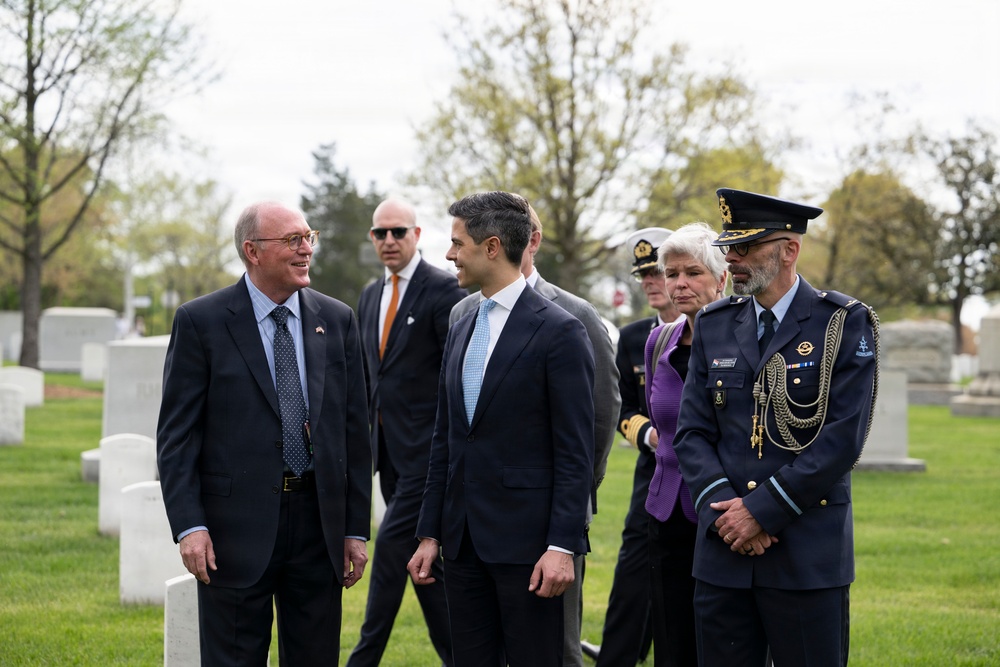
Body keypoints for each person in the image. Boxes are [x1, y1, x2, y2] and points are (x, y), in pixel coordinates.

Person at [156, 201, 372, 666]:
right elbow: (178, 437)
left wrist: (355, 528)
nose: (306, 249)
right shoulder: (201, 321)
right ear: (252, 251)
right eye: (293, 240)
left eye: (308, 237)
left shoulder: (337, 320)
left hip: (319, 527)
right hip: (233, 530)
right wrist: (190, 527)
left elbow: (354, 432)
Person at [674, 188, 879, 666]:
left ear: (790, 250)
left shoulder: (842, 323)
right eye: (730, 247)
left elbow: (842, 440)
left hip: (805, 554)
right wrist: (729, 512)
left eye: (748, 247)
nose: (734, 259)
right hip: (723, 550)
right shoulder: (714, 323)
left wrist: (761, 511)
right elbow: (692, 433)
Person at [408, 191, 595, 666]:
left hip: (530, 550)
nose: (448, 255)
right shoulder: (461, 321)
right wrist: (430, 533)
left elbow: (575, 453)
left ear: (492, 247)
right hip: (463, 545)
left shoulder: (560, 331)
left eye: (457, 243)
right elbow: (446, 439)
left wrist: (562, 547)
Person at [449, 203, 621, 667]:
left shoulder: (573, 316)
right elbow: (454, 429)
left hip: (544, 524)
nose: (451, 254)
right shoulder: (463, 314)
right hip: (472, 530)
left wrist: (570, 513)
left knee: (553, 652)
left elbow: (595, 425)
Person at [349, 198, 465, 666]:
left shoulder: (443, 290)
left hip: (429, 456)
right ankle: (459, 657)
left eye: (398, 232)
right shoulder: (370, 295)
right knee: (425, 566)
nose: (389, 241)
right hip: (388, 454)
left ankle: (362, 658)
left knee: (392, 550)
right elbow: (367, 375)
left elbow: (453, 377)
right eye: (380, 234)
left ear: (417, 234)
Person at [592, 227, 680, 667]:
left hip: (701, 477)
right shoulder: (633, 338)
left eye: (658, 272)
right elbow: (622, 405)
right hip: (653, 475)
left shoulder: (716, 327)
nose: (649, 282)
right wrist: (646, 434)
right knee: (632, 577)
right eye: (643, 274)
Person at [642, 222, 728, 666]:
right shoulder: (658, 342)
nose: (679, 284)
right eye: (671, 273)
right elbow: (659, 420)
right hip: (664, 513)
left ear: (721, 279)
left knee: (719, 642)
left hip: (722, 516)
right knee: (671, 644)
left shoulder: (745, 341)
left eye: (692, 273)